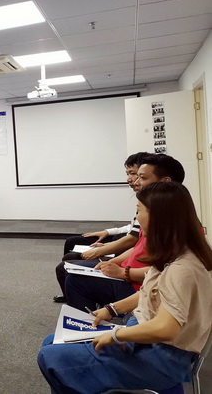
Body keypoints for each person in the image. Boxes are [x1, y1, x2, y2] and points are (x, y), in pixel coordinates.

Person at [38, 181, 212, 393]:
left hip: (161, 357)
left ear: (158, 216)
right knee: (52, 341)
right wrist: (112, 309)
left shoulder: (182, 268)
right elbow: (150, 293)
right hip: (148, 339)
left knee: (50, 356)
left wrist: (116, 335)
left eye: (139, 211)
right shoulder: (179, 251)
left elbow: (166, 328)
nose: (137, 218)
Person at [64, 153, 186, 314]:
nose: (135, 181)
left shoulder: (173, 223)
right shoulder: (158, 215)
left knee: (75, 279)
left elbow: (164, 274)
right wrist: (114, 263)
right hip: (133, 278)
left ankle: (89, 324)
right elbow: (138, 248)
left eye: (141, 177)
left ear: (165, 182)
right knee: (72, 270)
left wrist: (123, 273)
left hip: (138, 286)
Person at [53, 152, 149, 302]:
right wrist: (107, 233)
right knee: (72, 243)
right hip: (126, 256)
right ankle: (71, 295)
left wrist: (104, 254)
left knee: (68, 266)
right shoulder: (146, 204)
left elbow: (133, 241)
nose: (132, 180)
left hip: (131, 274)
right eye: (129, 174)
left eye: (137, 175)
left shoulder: (159, 212)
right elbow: (133, 230)